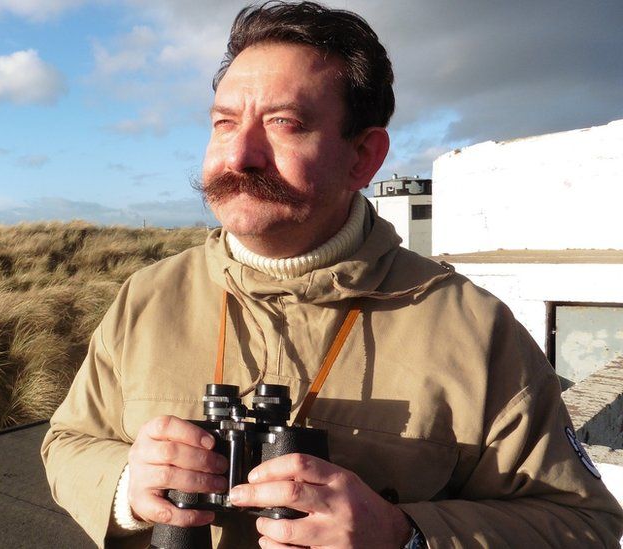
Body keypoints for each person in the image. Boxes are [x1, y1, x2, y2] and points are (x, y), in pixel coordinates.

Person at [41, 2, 623, 547]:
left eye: (284, 123)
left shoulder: (474, 328)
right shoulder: (147, 295)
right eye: (223, 122)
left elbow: (583, 523)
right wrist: (125, 485)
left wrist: (403, 534)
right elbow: (66, 443)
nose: (239, 153)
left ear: (364, 157)